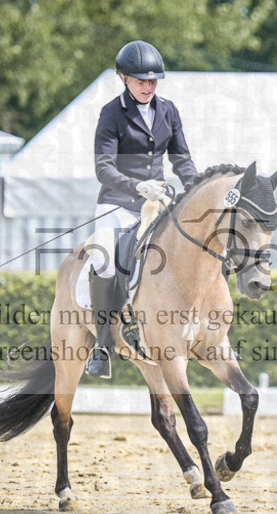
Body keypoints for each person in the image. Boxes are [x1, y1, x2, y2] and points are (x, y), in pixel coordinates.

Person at [85, 40, 198, 378]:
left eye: (153, 81)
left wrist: (196, 187)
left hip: (158, 203)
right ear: (124, 78)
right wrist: (135, 186)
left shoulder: (169, 110)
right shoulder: (111, 113)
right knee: (104, 260)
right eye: (141, 81)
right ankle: (102, 344)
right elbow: (103, 167)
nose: (148, 86)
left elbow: (182, 159)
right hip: (118, 203)